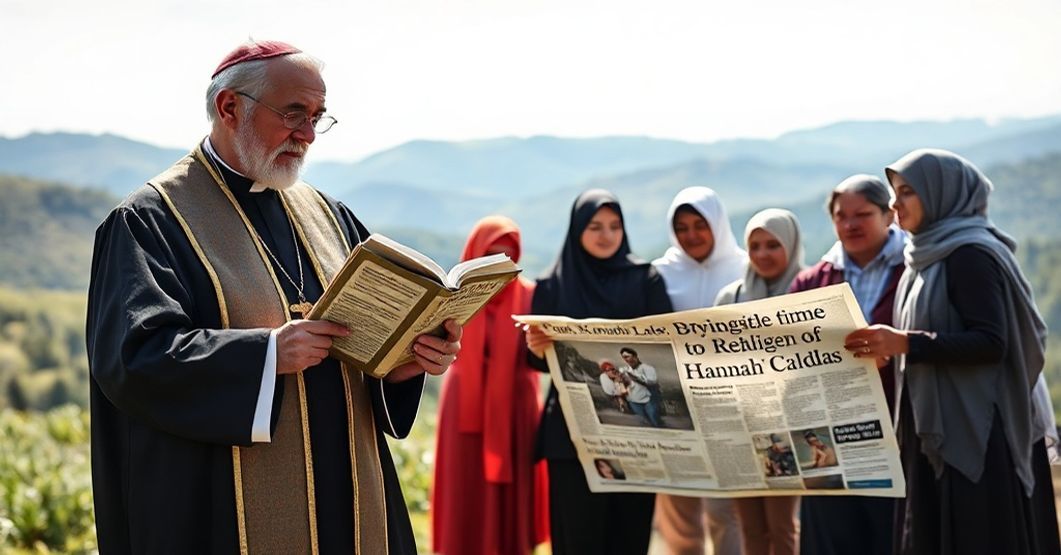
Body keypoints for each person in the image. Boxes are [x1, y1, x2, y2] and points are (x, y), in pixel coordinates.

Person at [85, 40, 462, 554]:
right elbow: (133, 359)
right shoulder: (151, 220)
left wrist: (405, 363)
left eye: (317, 117)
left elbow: (365, 343)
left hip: (350, 498)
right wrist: (265, 355)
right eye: (293, 114)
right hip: (220, 508)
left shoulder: (329, 216)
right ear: (229, 107)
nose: (307, 134)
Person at [844, 149, 1061, 555]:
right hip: (939, 426)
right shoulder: (923, 256)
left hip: (978, 432)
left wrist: (906, 343)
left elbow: (992, 343)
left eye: (907, 191)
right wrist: (890, 349)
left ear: (941, 194)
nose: (895, 204)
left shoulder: (970, 255)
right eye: (894, 192)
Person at [524, 189, 673, 555]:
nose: (606, 235)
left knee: (630, 537)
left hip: (636, 435)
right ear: (577, 230)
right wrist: (537, 348)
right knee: (578, 539)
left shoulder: (645, 279)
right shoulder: (552, 285)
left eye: (614, 226)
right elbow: (533, 361)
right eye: (595, 226)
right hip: (572, 436)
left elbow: (667, 347)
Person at [789, 174, 904, 555]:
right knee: (830, 540)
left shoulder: (914, 270)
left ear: (889, 215)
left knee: (889, 538)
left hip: (896, 434)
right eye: (841, 216)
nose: (850, 225)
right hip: (831, 437)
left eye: (862, 214)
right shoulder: (812, 282)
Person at [431, 216, 549, 555]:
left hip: (514, 411)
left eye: (508, 258)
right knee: (465, 490)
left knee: (512, 508)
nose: (499, 266)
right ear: (474, 256)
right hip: (464, 410)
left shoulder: (531, 298)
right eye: (491, 255)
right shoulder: (453, 300)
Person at [651, 186, 746, 555]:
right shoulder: (659, 273)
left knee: (727, 513)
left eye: (699, 225)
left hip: (731, 412)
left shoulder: (743, 267)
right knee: (679, 515)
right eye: (682, 227)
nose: (691, 235)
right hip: (674, 412)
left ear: (717, 225)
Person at [716, 208, 805, 555]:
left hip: (787, 431)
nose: (762, 255)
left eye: (773, 245)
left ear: (792, 245)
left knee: (782, 528)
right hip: (739, 430)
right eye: (755, 246)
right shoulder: (731, 297)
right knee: (750, 529)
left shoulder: (808, 290)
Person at [617, 348, 663, 427]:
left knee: (654, 420)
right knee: (645, 421)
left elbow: (652, 383)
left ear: (635, 356)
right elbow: (624, 386)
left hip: (649, 399)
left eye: (627, 356)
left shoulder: (648, 368)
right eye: (623, 357)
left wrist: (634, 378)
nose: (625, 359)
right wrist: (621, 380)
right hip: (633, 400)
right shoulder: (624, 369)